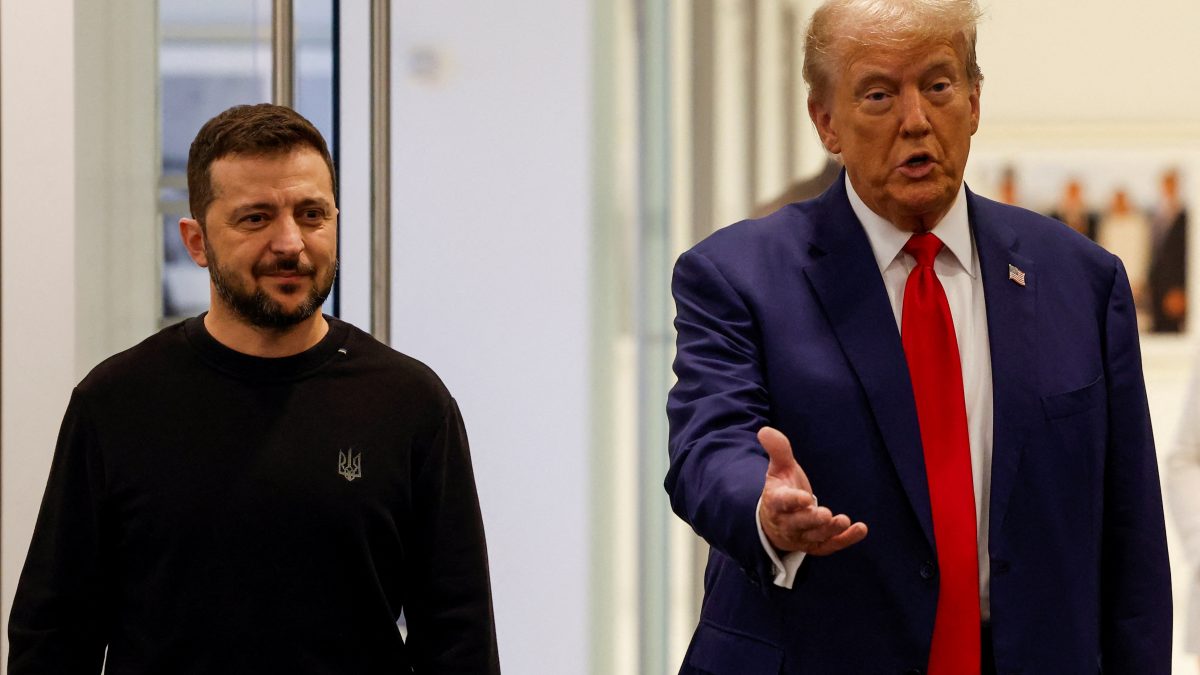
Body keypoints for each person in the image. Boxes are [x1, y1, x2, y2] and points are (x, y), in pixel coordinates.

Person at [664, 1, 1172, 673]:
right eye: (878, 94)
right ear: (826, 122)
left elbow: (1130, 539)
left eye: (938, 87)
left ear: (975, 99)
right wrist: (762, 505)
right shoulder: (737, 276)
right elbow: (708, 444)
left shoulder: (1080, 280)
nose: (916, 120)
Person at [8, 104, 500, 674]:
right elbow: (53, 635)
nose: (290, 242)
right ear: (196, 242)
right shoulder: (116, 402)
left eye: (311, 214)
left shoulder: (410, 404)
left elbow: (460, 639)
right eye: (256, 218)